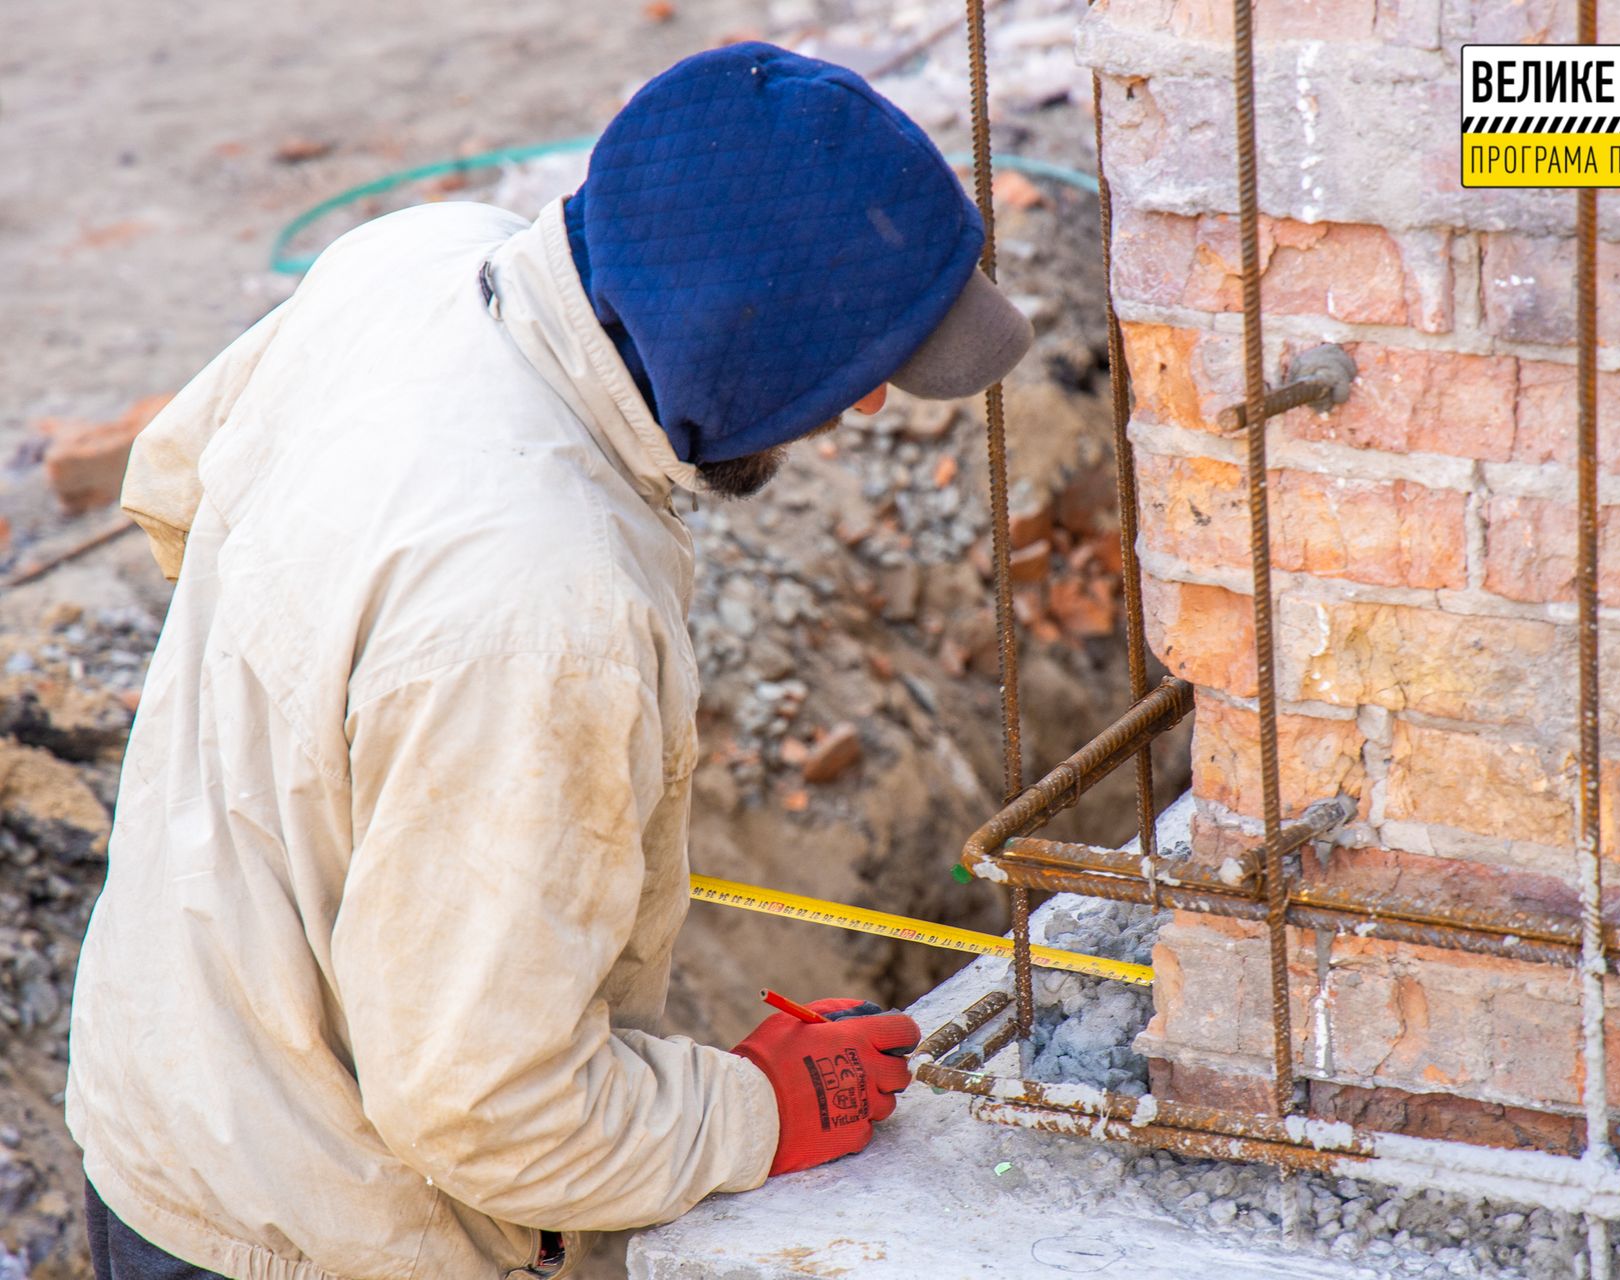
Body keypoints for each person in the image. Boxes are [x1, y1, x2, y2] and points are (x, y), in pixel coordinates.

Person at [66, 41, 1032, 1280]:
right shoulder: (545, 609)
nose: (867, 411)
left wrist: (320, 761)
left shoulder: (414, 262)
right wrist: (762, 1112)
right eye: (846, 372)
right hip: (308, 1229)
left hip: (159, 1098)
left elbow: (173, 486)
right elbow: (484, 1107)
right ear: (735, 343)